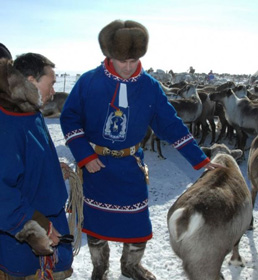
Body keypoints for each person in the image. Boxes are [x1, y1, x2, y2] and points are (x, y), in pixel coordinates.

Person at [60, 20, 219, 280]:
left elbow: (171, 125)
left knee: (137, 224)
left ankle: (130, 266)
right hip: (95, 165)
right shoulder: (89, 82)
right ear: (108, 55)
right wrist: (85, 155)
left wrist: (200, 159)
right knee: (97, 226)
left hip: (130, 166)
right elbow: (70, 118)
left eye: (133, 60)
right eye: (122, 60)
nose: (128, 67)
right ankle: (100, 268)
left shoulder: (149, 87)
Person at [0, 52, 73, 279]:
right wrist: (38, 228)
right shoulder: (8, 124)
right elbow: (3, 192)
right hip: (26, 241)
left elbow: (30, 158)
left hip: (51, 224)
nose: (53, 92)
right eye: (50, 84)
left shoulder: (31, 112)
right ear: (31, 82)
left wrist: (50, 168)